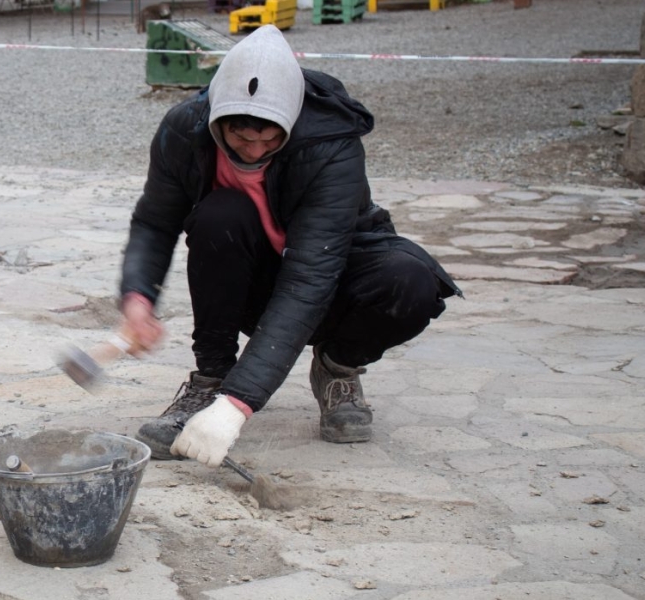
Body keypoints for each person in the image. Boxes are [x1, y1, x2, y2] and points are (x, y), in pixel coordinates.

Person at [117, 26, 461, 468]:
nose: (255, 150)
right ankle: (210, 379)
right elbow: (154, 222)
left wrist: (239, 404)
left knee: (411, 281)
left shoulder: (331, 143)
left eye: (270, 139)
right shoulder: (184, 130)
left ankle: (338, 366)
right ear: (218, 117)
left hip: (329, 274)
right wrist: (138, 298)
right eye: (242, 138)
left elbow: (310, 277)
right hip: (253, 279)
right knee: (220, 215)